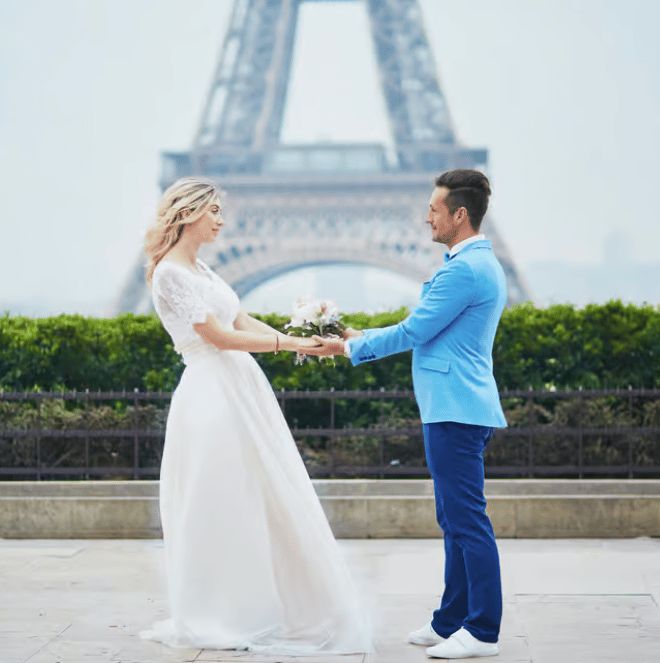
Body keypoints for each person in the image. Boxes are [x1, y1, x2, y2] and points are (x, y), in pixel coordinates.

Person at [138, 177, 372, 655]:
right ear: (189, 213)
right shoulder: (170, 274)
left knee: (258, 493)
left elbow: (241, 321)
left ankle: (265, 603)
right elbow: (219, 337)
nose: (223, 220)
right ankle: (225, 610)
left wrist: (305, 342)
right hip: (211, 394)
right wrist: (288, 343)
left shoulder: (202, 269)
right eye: (216, 211)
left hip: (240, 389)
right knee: (224, 498)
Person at [313, 169, 508, 659]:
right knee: (454, 518)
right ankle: (450, 620)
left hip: (456, 410)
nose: (427, 217)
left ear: (459, 215)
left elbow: (415, 330)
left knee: (467, 521)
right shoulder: (474, 263)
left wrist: (346, 348)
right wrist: (359, 339)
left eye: (435, 209)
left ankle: (482, 629)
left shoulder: (465, 269)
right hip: (454, 407)